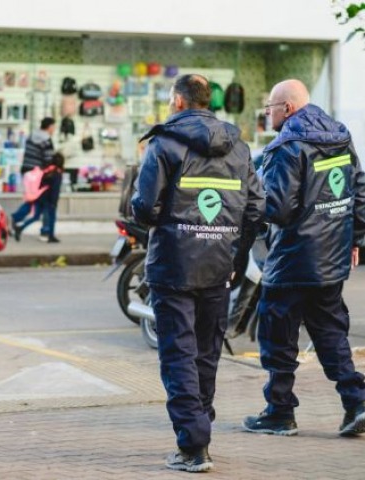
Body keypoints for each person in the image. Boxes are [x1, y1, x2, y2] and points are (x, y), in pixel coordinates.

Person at [131, 74, 264, 473]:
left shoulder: (165, 143)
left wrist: (167, 224)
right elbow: (256, 207)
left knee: (178, 356)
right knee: (206, 353)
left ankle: (193, 445)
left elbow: (144, 205)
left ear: (178, 101)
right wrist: (230, 244)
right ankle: (199, 430)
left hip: (173, 264)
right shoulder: (238, 146)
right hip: (219, 265)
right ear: (208, 101)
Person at [242, 79, 365, 438]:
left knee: (278, 336)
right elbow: (359, 189)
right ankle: (356, 401)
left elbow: (278, 209)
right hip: (331, 258)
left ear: (288, 109)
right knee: (330, 333)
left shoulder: (287, 147)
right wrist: (354, 237)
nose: (268, 114)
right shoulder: (340, 136)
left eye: (270, 107)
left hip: (292, 259)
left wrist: (255, 198)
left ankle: (280, 412)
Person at [12, 117, 60, 242]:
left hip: (27, 171)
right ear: (49, 127)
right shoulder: (46, 140)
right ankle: (46, 230)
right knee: (44, 201)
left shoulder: (31, 136)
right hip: (39, 175)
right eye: (53, 127)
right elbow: (48, 160)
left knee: (33, 198)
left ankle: (17, 219)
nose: (54, 129)